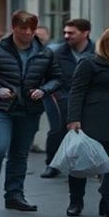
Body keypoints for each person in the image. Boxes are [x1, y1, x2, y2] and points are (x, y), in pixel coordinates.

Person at [0, 11, 62, 212]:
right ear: (14, 28)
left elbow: (57, 78)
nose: (28, 33)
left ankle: (14, 195)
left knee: (20, 154)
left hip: (29, 109)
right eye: (23, 28)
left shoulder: (45, 53)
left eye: (31, 29)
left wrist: (43, 90)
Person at [65, 27, 109, 217]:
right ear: (106, 42)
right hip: (92, 119)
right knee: (82, 163)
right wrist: (73, 118)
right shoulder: (90, 63)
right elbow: (77, 91)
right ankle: (76, 200)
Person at [41, 19, 94, 179]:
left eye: (71, 33)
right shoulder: (56, 53)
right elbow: (46, 77)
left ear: (85, 33)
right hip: (58, 97)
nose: (66, 36)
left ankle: (86, 163)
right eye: (65, 32)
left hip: (88, 98)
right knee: (57, 130)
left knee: (88, 131)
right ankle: (52, 164)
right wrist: (57, 94)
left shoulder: (97, 52)